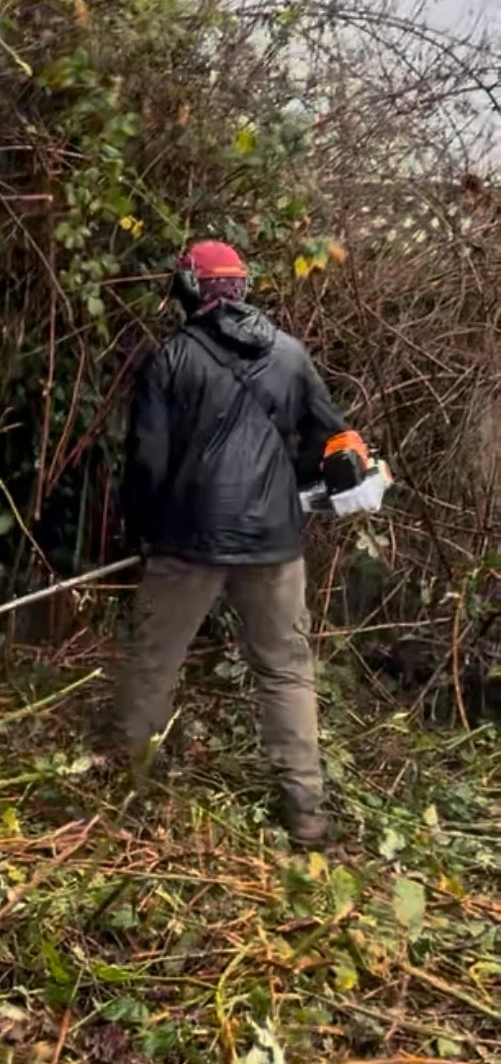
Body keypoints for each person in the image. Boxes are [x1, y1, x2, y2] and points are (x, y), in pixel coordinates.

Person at [115, 240, 362, 846]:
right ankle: (306, 812)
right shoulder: (291, 356)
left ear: (190, 289)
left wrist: (144, 530)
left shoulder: (171, 358)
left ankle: (125, 791)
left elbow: (146, 463)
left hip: (187, 538)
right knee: (285, 671)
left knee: (153, 661)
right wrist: (327, 475)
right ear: (242, 288)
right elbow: (335, 440)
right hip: (275, 541)